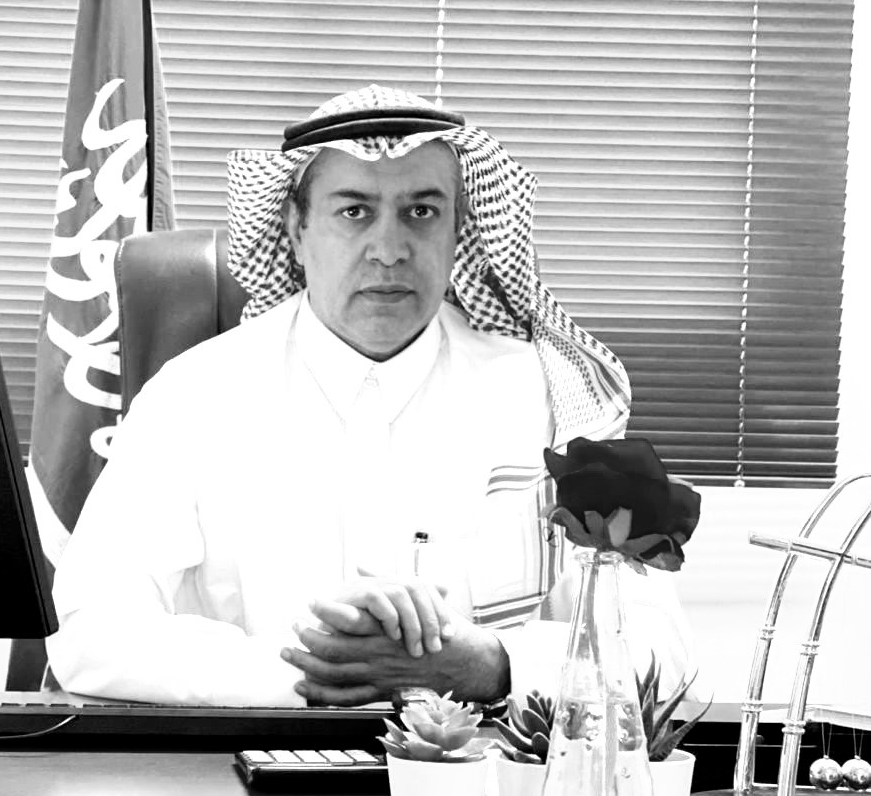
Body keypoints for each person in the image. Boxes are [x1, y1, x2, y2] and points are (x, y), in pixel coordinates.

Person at [45, 85, 690, 707]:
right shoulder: (193, 396)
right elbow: (88, 634)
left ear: (459, 232)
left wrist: (491, 664)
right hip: (247, 766)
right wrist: (307, 672)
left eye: (421, 212)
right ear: (296, 231)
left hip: (478, 769)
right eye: (354, 211)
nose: (388, 250)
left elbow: (661, 651)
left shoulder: (548, 396)